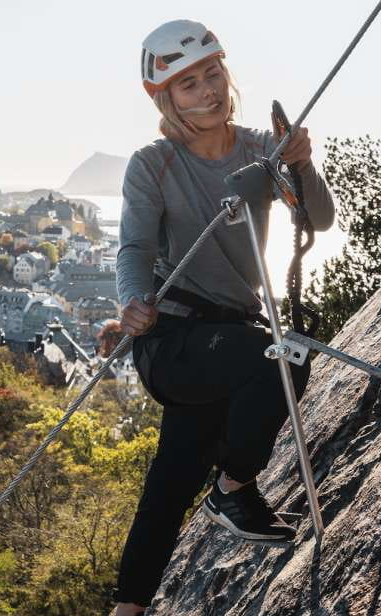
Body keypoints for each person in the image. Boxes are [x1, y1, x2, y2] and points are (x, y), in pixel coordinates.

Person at [109, 19, 337, 615]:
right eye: (188, 84)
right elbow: (133, 249)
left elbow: (320, 218)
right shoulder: (153, 164)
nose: (207, 90)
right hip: (175, 338)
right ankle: (234, 488)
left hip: (229, 333)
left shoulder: (263, 149)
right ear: (165, 98)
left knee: (170, 484)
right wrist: (132, 300)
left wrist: (303, 164)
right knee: (275, 360)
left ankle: (126, 608)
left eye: (213, 74)